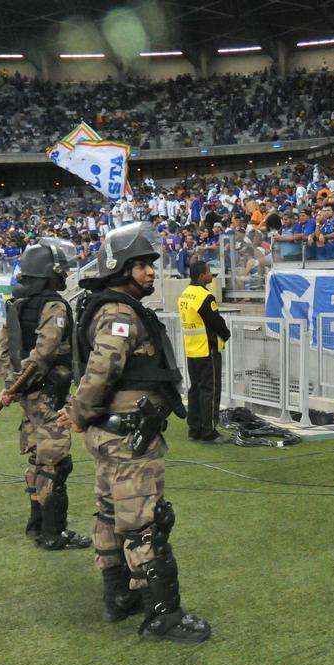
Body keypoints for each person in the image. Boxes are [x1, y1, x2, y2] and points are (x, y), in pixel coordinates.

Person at [62, 224, 212, 643]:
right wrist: (80, 412)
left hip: (114, 435)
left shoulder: (112, 308)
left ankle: (119, 598)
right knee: (144, 522)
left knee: (110, 514)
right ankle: (163, 615)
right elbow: (101, 370)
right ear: (121, 269)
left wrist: (82, 415)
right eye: (142, 266)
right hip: (129, 439)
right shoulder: (121, 313)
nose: (150, 273)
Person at [0, 237, 90, 551]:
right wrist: (24, 383)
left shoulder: (16, 303)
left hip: (27, 395)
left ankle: (36, 523)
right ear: (49, 274)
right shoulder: (54, 305)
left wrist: (12, 385)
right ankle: (53, 531)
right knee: (55, 464)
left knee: (37, 460)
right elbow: (45, 350)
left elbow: (2, 354)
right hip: (48, 393)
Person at [177, 260, 230, 443]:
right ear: (201, 276)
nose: (211, 275)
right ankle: (209, 432)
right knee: (210, 391)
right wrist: (226, 334)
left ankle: (194, 429)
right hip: (208, 351)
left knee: (195, 390)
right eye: (209, 272)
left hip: (191, 350)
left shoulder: (185, 294)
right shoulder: (205, 297)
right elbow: (216, 322)